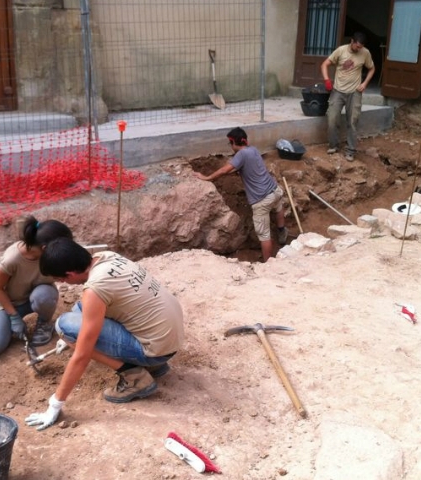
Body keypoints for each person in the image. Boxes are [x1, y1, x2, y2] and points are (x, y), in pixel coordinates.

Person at [24, 238, 184, 431]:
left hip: (155, 348)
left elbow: (82, 355)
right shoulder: (107, 257)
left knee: (65, 325)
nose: (64, 283)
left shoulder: (95, 288)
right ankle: (156, 366)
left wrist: (55, 404)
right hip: (168, 338)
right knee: (79, 308)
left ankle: (135, 376)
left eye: (62, 279)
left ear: (70, 273)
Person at [0, 216, 73, 356]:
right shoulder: (12, 259)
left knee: (44, 295)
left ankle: (44, 323)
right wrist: (14, 317)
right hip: (11, 304)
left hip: (38, 297)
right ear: (45, 248)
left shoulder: (48, 257)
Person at [194, 127, 288, 262]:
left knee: (264, 235)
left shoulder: (241, 155)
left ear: (233, 142)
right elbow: (241, 168)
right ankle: (281, 232)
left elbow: (224, 170)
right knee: (278, 208)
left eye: (230, 143)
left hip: (261, 200)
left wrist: (206, 177)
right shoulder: (253, 150)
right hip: (275, 191)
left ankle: (268, 265)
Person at [321, 31, 376, 162]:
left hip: (355, 92)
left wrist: (365, 83)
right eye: (357, 46)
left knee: (353, 121)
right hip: (338, 91)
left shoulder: (365, 53)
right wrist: (327, 80)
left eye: (361, 47)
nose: (359, 49)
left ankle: (350, 150)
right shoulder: (341, 51)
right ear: (351, 42)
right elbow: (324, 64)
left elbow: (372, 68)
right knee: (332, 118)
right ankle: (333, 145)